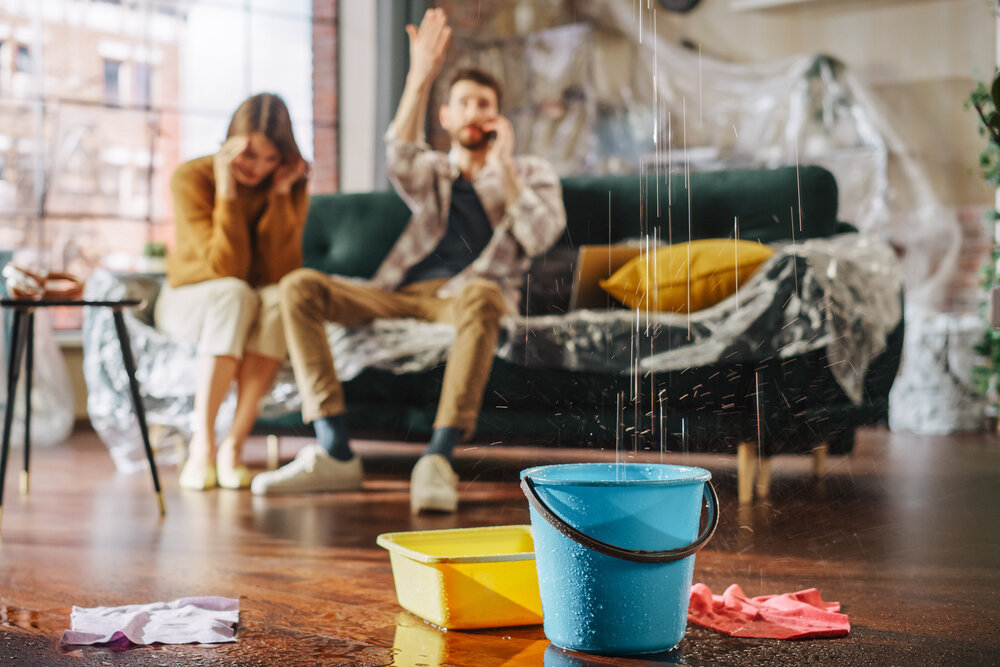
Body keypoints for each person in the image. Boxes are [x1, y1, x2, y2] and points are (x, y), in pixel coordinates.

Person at [250, 8, 566, 512]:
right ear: (446, 117)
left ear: (499, 117)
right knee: (299, 287)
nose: (472, 112)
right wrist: (420, 76)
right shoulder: (435, 173)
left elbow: (540, 236)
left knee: (484, 293)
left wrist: (503, 166)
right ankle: (334, 449)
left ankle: (437, 458)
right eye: (462, 103)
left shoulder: (530, 172)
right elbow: (399, 153)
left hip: (466, 299)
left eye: (483, 104)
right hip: (399, 294)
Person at [155, 93, 308, 491]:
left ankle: (233, 447)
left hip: (250, 302)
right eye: (249, 155)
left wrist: (279, 196)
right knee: (233, 292)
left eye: (270, 158)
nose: (257, 168)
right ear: (228, 144)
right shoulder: (190, 177)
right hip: (190, 301)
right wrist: (226, 189)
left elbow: (281, 272)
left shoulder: (286, 183)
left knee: (279, 299)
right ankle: (202, 446)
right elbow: (227, 268)